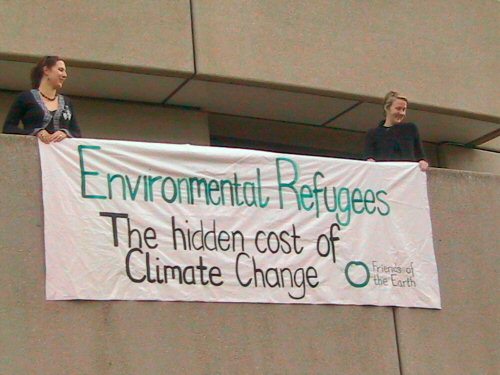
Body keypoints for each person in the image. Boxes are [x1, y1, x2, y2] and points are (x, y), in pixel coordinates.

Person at [3, 56, 81, 142]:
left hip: (59, 153)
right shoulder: (25, 98)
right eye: (60, 70)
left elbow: (77, 133)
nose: (65, 75)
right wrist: (35, 132)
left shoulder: (67, 102)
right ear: (46, 70)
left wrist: (65, 133)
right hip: (33, 151)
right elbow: (8, 128)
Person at [364, 91, 428, 171]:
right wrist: (370, 161)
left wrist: (423, 162)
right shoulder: (372, 134)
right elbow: (368, 158)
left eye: (404, 109)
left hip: (407, 177)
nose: (401, 113)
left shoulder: (410, 129)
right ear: (387, 108)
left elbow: (420, 155)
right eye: (398, 109)